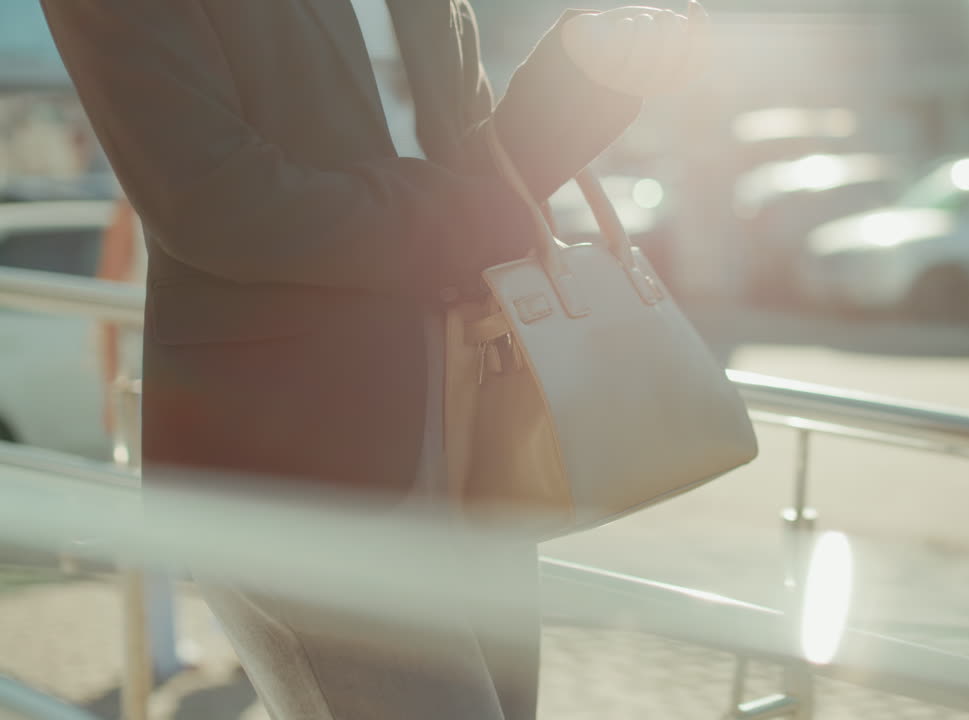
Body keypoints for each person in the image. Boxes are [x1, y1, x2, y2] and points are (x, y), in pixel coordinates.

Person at [40, 1, 707, 718]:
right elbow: (214, 201)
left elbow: (479, 169)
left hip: (477, 423)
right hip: (293, 456)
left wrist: (582, 74)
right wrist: (475, 220)